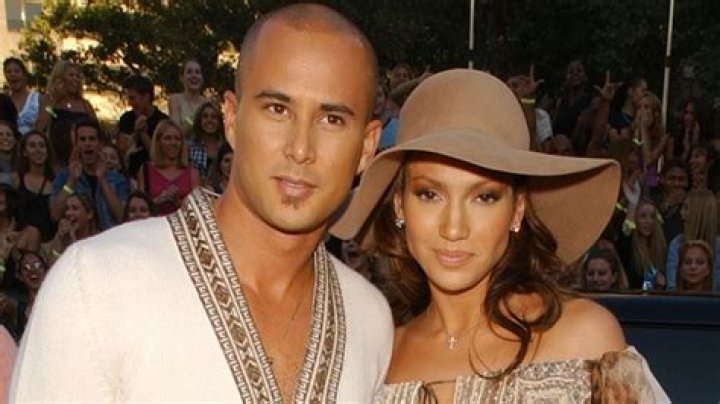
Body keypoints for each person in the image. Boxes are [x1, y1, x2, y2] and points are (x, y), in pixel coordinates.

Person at [10, 4, 392, 402]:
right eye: (277, 110)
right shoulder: (97, 281)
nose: (300, 148)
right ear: (232, 118)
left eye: (332, 120)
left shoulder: (369, 318)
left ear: (367, 146)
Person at [331, 69, 668, 402]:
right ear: (399, 205)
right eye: (429, 194)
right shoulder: (375, 363)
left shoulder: (585, 341)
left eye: (484, 197)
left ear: (517, 209)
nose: (453, 228)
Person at [49, 118, 129, 230]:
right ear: (76, 144)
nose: (87, 143)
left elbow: (122, 217)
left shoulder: (117, 179)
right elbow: (55, 214)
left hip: (108, 236)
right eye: (82, 139)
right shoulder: (64, 177)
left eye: (92, 139)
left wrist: (103, 181)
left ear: (100, 144)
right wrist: (71, 181)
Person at [35, 60, 98, 168]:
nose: (75, 79)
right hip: (57, 159)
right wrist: (56, 98)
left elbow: (96, 129)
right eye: (71, 75)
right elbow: (42, 126)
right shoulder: (49, 101)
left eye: (77, 76)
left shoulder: (85, 105)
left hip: (82, 160)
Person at [138, 119, 200, 215]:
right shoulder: (146, 170)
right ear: (158, 141)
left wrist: (178, 202)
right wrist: (158, 200)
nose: (173, 143)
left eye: (177, 139)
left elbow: (198, 211)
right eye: (167, 138)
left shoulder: (193, 173)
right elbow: (139, 208)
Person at [117, 75, 170, 179]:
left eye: (132, 98)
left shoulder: (163, 121)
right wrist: (136, 133)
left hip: (156, 175)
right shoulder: (126, 119)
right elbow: (122, 152)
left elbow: (160, 156)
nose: (130, 103)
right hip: (130, 174)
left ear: (146, 96)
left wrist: (143, 134)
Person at [12, 130, 56, 243]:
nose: (38, 150)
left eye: (42, 146)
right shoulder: (16, 179)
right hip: (22, 240)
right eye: (32, 146)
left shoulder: (55, 181)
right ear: (24, 152)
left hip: (49, 242)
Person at [168, 59, 209, 135]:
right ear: (182, 78)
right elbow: (176, 133)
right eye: (189, 72)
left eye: (197, 72)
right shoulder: (176, 99)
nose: (194, 76)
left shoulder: (208, 102)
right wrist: (197, 115)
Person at [3, 57, 41, 135]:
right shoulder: (3, 102)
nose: (13, 74)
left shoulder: (39, 99)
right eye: (8, 72)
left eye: (17, 71)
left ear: (24, 75)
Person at [187, 101, 225, 180]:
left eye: (214, 117)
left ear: (219, 121)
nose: (209, 120)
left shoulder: (227, 146)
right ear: (199, 120)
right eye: (205, 116)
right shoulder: (189, 147)